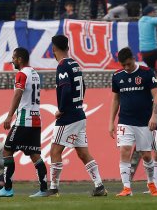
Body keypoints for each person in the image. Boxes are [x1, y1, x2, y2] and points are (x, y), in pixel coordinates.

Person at [48, 35, 107, 197]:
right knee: (82, 153)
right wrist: (78, 103)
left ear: (54, 49)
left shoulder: (62, 66)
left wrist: (61, 109)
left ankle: (53, 189)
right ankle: (99, 186)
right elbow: (84, 86)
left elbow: (66, 89)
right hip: (79, 114)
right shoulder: (74, 64)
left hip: (68, 117)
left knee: (54, 151)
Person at [0, 48, 48, 197]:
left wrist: (9, 116)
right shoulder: (35, 74)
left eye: (14, 58)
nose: (12, 61)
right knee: (35, 154)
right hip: (36, 120)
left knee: (7, 151)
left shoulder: (22, 74)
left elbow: (18, 93)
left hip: (24, 120)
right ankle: (44, 189)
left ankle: (7, 188)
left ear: (20, 59)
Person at [109, 47, 157, 196]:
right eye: (123, 65)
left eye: (128, 64)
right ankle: (127, 188)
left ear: (133, 58)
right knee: (125, 150)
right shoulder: (117, 76)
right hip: (125, 120)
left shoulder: (146, 72)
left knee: (146, 155)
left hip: (144, 122)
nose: (126, 67)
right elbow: (115, 99)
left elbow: (156, 96)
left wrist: (154, 116)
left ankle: (151, 182)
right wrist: (111, 121)